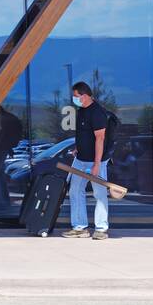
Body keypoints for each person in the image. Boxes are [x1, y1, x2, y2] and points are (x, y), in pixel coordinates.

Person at [63, 81, 111, 240]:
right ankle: (80, 227)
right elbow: (84, 134)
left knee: (99, 193)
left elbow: (100, 138)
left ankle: (101, 228)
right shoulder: (82, 111)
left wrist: (97, 164)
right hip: (81, 159)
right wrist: (78, 148)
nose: (74, 99)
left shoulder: (97, 112)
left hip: (95, 161)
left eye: (76, 96)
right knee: (75, 191)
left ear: (84, 96)